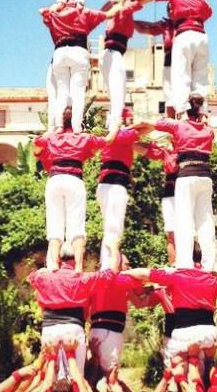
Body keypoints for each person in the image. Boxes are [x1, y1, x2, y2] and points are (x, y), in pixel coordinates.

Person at [133, 94, 216, 270]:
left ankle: (184, 263)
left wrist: (130, 129)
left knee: (183, 220)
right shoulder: (209, 131)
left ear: (185, 110)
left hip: (186, 176)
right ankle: (209, 264)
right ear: (201, 111)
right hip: (205, 176)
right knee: (205, 220)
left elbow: (153, 123)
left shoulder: (178, 125)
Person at [33, 106, 119, 270]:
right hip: (74, 180)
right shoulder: (84, 137)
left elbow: (36, 149)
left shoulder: (51, 137)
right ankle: (79, 266)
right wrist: (116, 125)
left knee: (54, 225)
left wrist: (49, 134)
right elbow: (108, 140)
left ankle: (53, 266)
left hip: (55, 179)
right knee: (77, 226)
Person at [28, 240, 120, 374]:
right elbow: (112, 272)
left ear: (59, 257)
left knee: (50, 377)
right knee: (76, 376)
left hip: (49, 330)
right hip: (74, 329)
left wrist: (52, 260)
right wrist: (114, 248)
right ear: (78, 257)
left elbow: (32, 277)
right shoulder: (83, 278)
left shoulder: (43, 276)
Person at [39, 0, 121, 133]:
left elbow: (42, 11)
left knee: (62, 91)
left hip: (59, 52)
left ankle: (59, 125)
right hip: (78, 51)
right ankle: (77, 126)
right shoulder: (83, 13)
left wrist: (58, 6)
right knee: (77, 92)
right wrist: (123, 3)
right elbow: (109, 14)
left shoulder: (55, 15)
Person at [135, 0, 212, 116]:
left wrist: (134, 2)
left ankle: (182, 112)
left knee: (180, 77)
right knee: (200, 77)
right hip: (201, 35)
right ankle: (203, 113)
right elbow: (208, 13)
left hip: (185, 35)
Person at [123, 262, 217, 360]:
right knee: (177, 368)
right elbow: (139, 303)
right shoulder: (162, 290)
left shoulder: (187, 281)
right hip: (173, 329)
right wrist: (128, 286)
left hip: (188, 326)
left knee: (196, 366)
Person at [96, 107, 143, 269]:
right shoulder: (124, 134)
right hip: (115, 186)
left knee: (110, 227)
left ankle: (106, 263)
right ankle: (108, 267)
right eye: (130, 119)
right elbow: (144, 129)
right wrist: (136, 125)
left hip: (106, 184)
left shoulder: (113, 135)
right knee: (114, 229)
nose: (133, 122)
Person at [88, 254, 143, 375]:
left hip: (100, 329)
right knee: (109, 374)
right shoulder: (119, 279)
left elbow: (139, 301)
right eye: (126, 264)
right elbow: (141, 287)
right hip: (109, 331)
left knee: (97, 371)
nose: (129, 268)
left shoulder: (97, 279)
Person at [100, 0, 143, 131]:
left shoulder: (117, 13)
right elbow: (135, 5)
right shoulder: (123, 10)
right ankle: (114, 126)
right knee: (119, 94)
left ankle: (111, 124)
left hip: (108, 55)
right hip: (114, 54)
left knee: (115, 95)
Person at [134, 141, 177, 264]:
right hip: (170, 194)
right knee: (171, 234)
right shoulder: (165, 151)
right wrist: (127, 138)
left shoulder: (187, 150)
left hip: (184, 193)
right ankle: (174, 266)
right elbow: (144, 150)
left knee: (186, 234)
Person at [134, 11, 175, 118]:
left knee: (172, 90)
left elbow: (147, 27)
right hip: (171, 56)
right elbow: (146, 28)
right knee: (170, 91)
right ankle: (173, 120)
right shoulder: (166, 24)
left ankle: (176, 119)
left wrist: (131, 21)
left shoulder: (179, 24)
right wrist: (131, 21)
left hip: (177, 56)